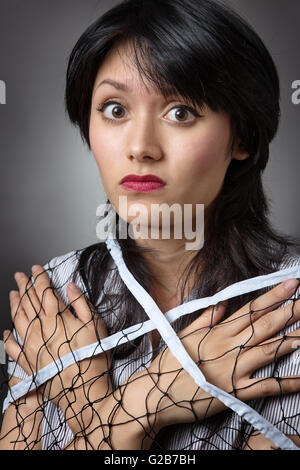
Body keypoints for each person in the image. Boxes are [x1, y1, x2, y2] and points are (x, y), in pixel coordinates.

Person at [0, 0, 300, 450]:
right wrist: (154, 398)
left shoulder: (287, 307)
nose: (140, 147)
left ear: (242, 137)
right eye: (115, 110)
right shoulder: (57, 295)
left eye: (181, 112)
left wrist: (100, 406)